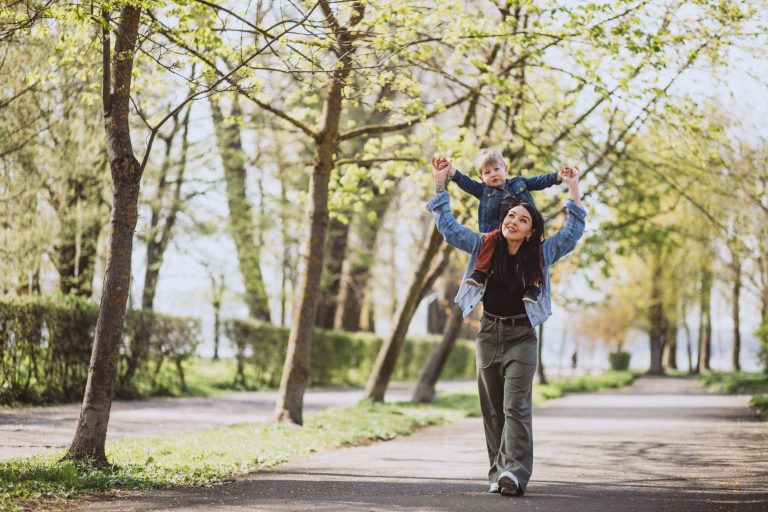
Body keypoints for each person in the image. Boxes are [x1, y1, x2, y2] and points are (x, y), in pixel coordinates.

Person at [426, 157, 586, 497]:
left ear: (531, 232)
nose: (513, 220)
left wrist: (572, 187)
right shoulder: (483, 245)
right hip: (489, 334)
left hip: (522, 337)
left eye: (523, 219)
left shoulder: (541, 254)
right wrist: (440, 182)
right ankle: (498, 471)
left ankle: (514, 473)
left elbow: (572, 232)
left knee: (516, 407)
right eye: (511, 215)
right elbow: (449, 228)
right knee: (493, 411)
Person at [434, 149, 569, 304]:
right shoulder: (483, 191)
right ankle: (480, 273)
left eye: (496, 169)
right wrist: (451, 171)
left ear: (505, 169)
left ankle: (533, 286)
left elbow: (538, 181)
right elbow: (466, 182)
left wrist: (557, 177)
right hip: (498, 232)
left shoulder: (519, 183)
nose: (493, 174)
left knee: (535, 252)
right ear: (481, 177)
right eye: (487, 172)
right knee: (488, 242)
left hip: (524, 231)